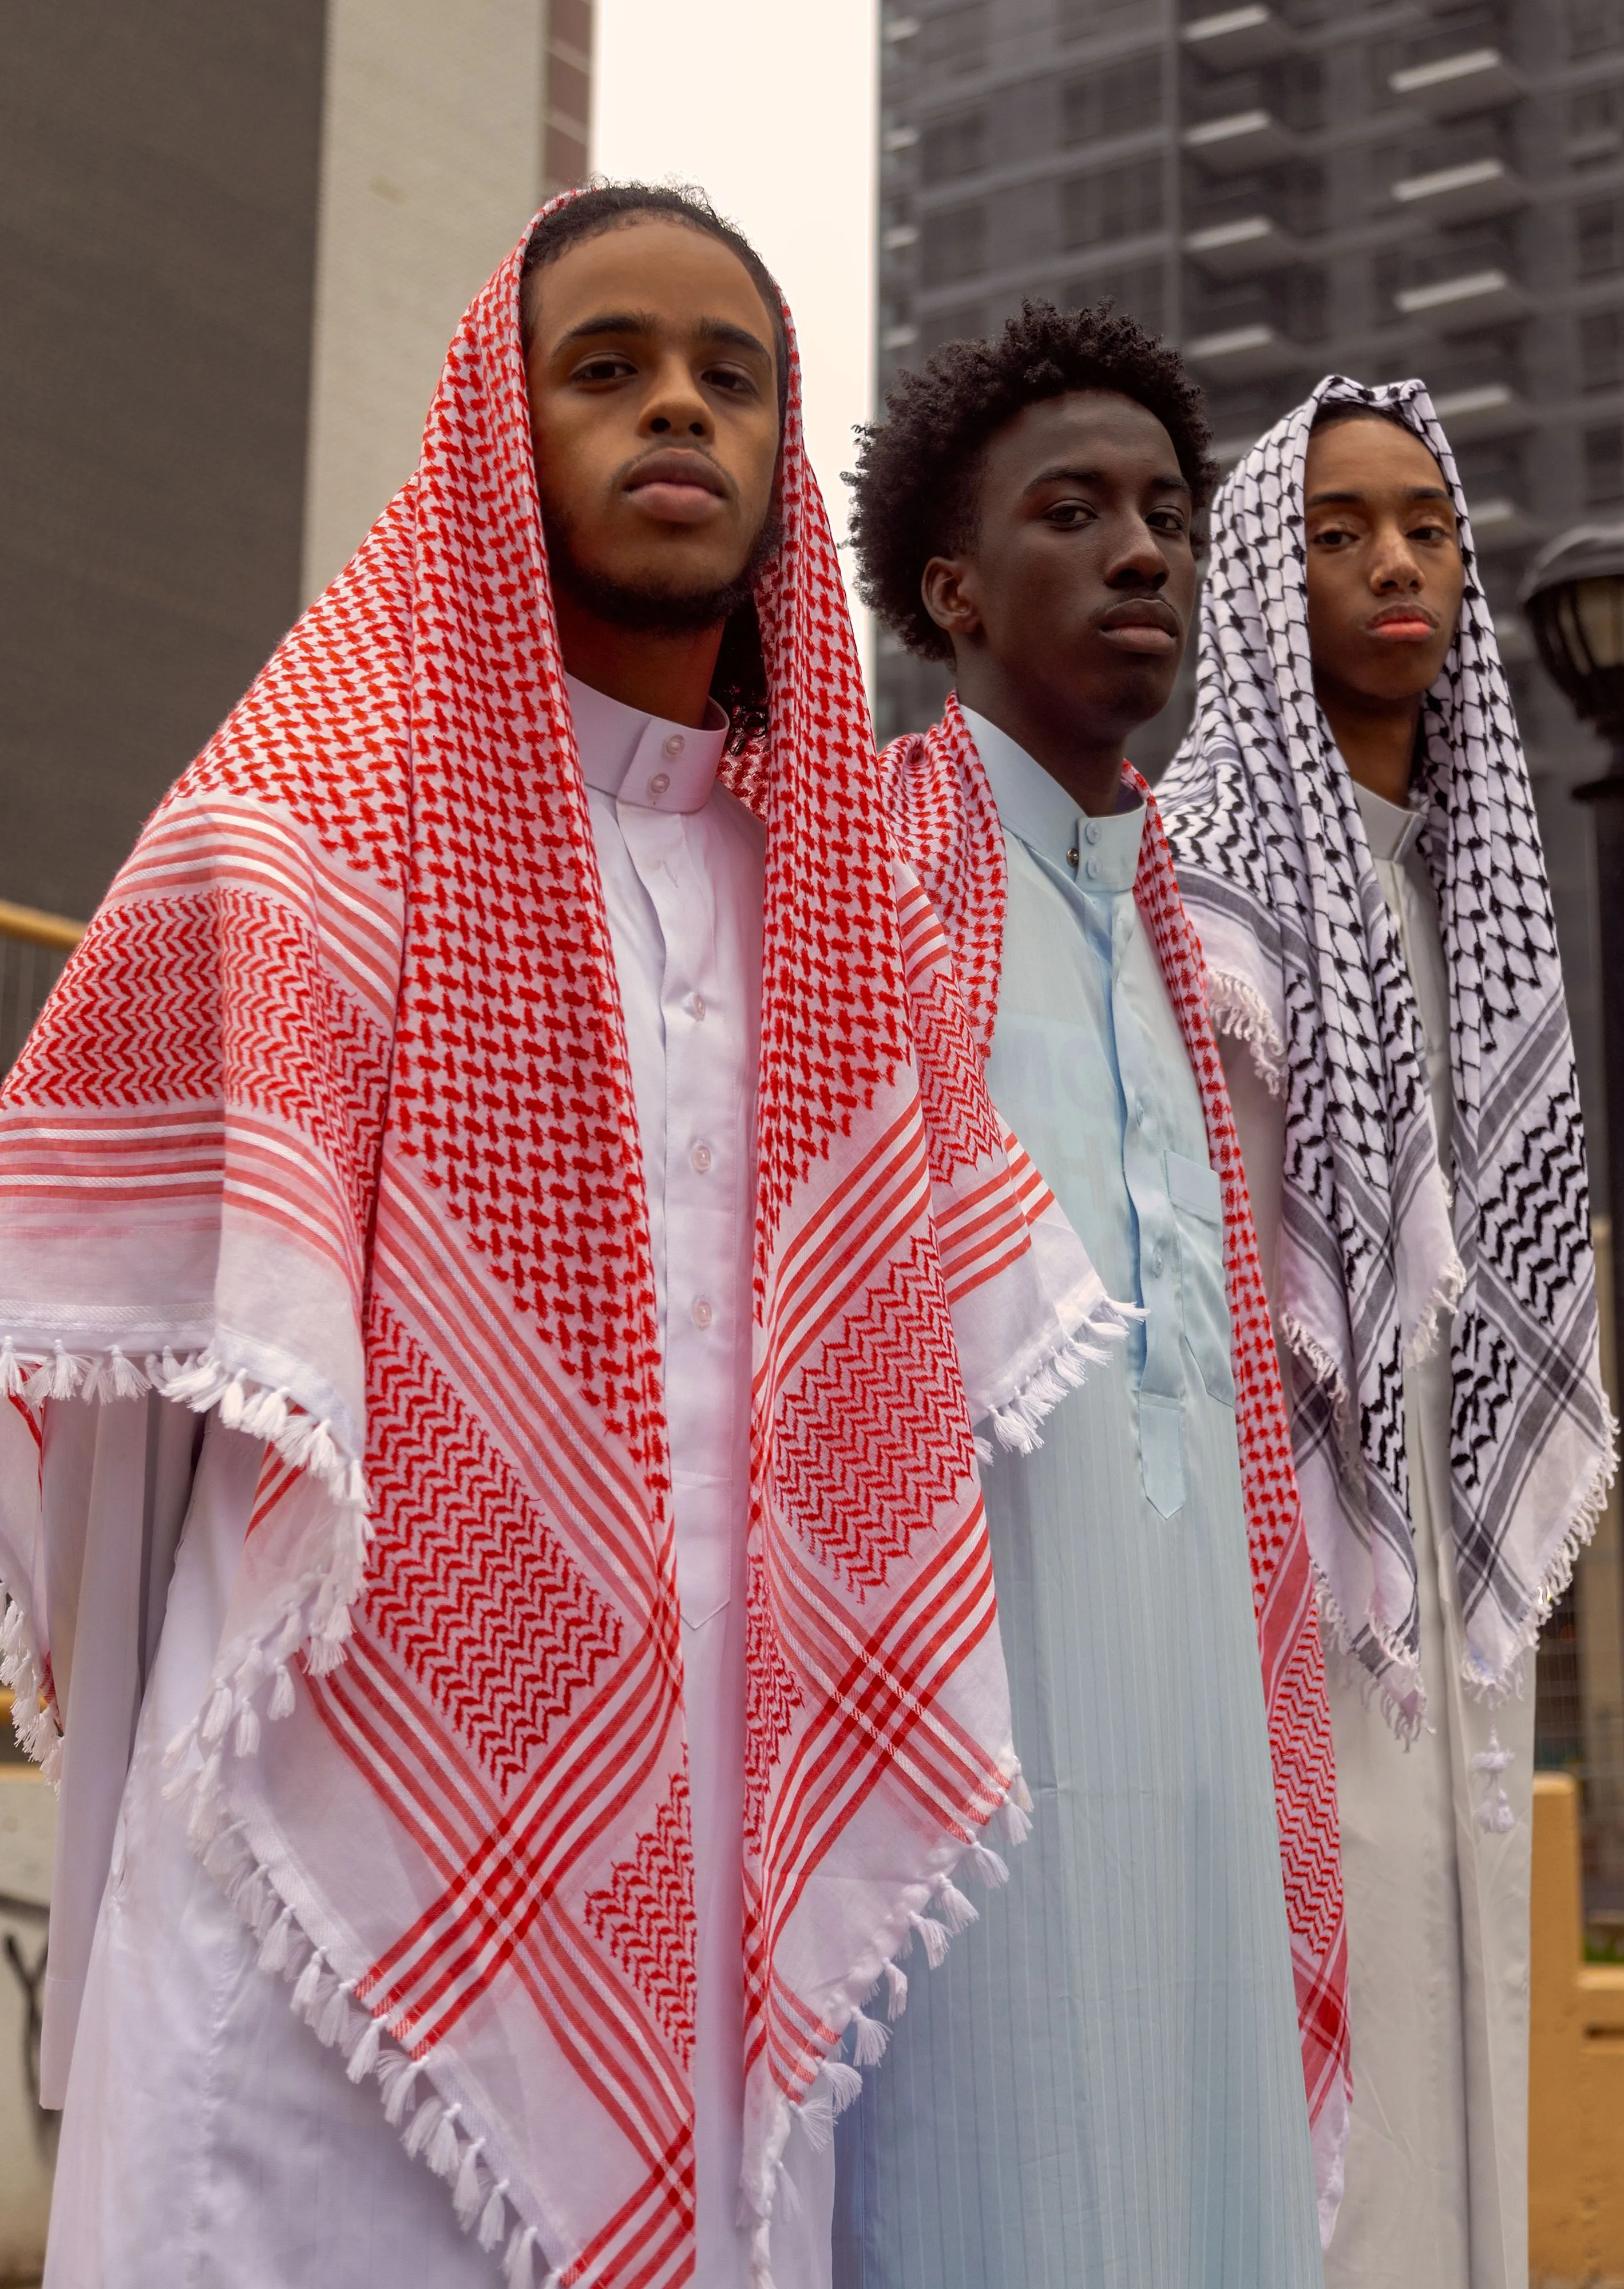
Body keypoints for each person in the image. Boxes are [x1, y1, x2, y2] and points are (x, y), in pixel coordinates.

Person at [0, 185, 1133, 2289]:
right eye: (605, 368)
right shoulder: (299, 825)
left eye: (730, 374)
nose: (674, 410)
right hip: (323, 1873)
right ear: (494, 434)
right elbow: (98, 1343)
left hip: (730, 1853)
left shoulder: (846, 913)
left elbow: (941, 1395)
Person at [841, 301, 1349, 2288]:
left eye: (1168, 512)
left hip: (1202, 1684)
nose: (1146, 551)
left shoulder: (1203, 950)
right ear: (950, 589)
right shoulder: (852, 885)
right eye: (1076, 511)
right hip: (968, 1695)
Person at [1160, 379, 1616, 2289]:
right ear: (1268, 573)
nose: (1394, 563)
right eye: (1338, 530)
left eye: (1424, 524)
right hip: (1272, 1569)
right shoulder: (1194, 871)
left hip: (1446, 1575)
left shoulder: (1468, 885)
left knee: (1454, 1984)